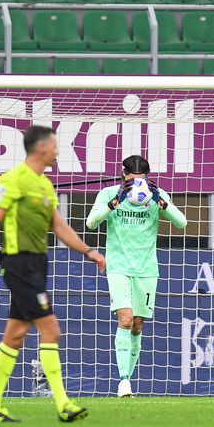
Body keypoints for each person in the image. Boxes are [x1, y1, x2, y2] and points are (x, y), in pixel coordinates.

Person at [0, 125, 107, 423]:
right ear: (41, 148)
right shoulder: (11, 179)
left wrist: (89, 252)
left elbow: (59, 226)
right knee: (51, 330)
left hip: (38, 264)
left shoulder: (45, 185)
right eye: (55, 145)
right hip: (18, 264)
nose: (58, 151)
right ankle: (63, 404)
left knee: (15, 336)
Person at [85, 155, 187, 398]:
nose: (137, 185)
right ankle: (124, 381)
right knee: (126, 319)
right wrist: (114, 203)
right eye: (132, 180)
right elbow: (90, 223)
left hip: (147, 269)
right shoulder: (109, 193)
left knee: (137, 325)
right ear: (123, 175)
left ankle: (127, 379)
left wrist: (162, 202)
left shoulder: (156, 195)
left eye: (141, 180)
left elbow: (182, 223)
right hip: (118, 267)